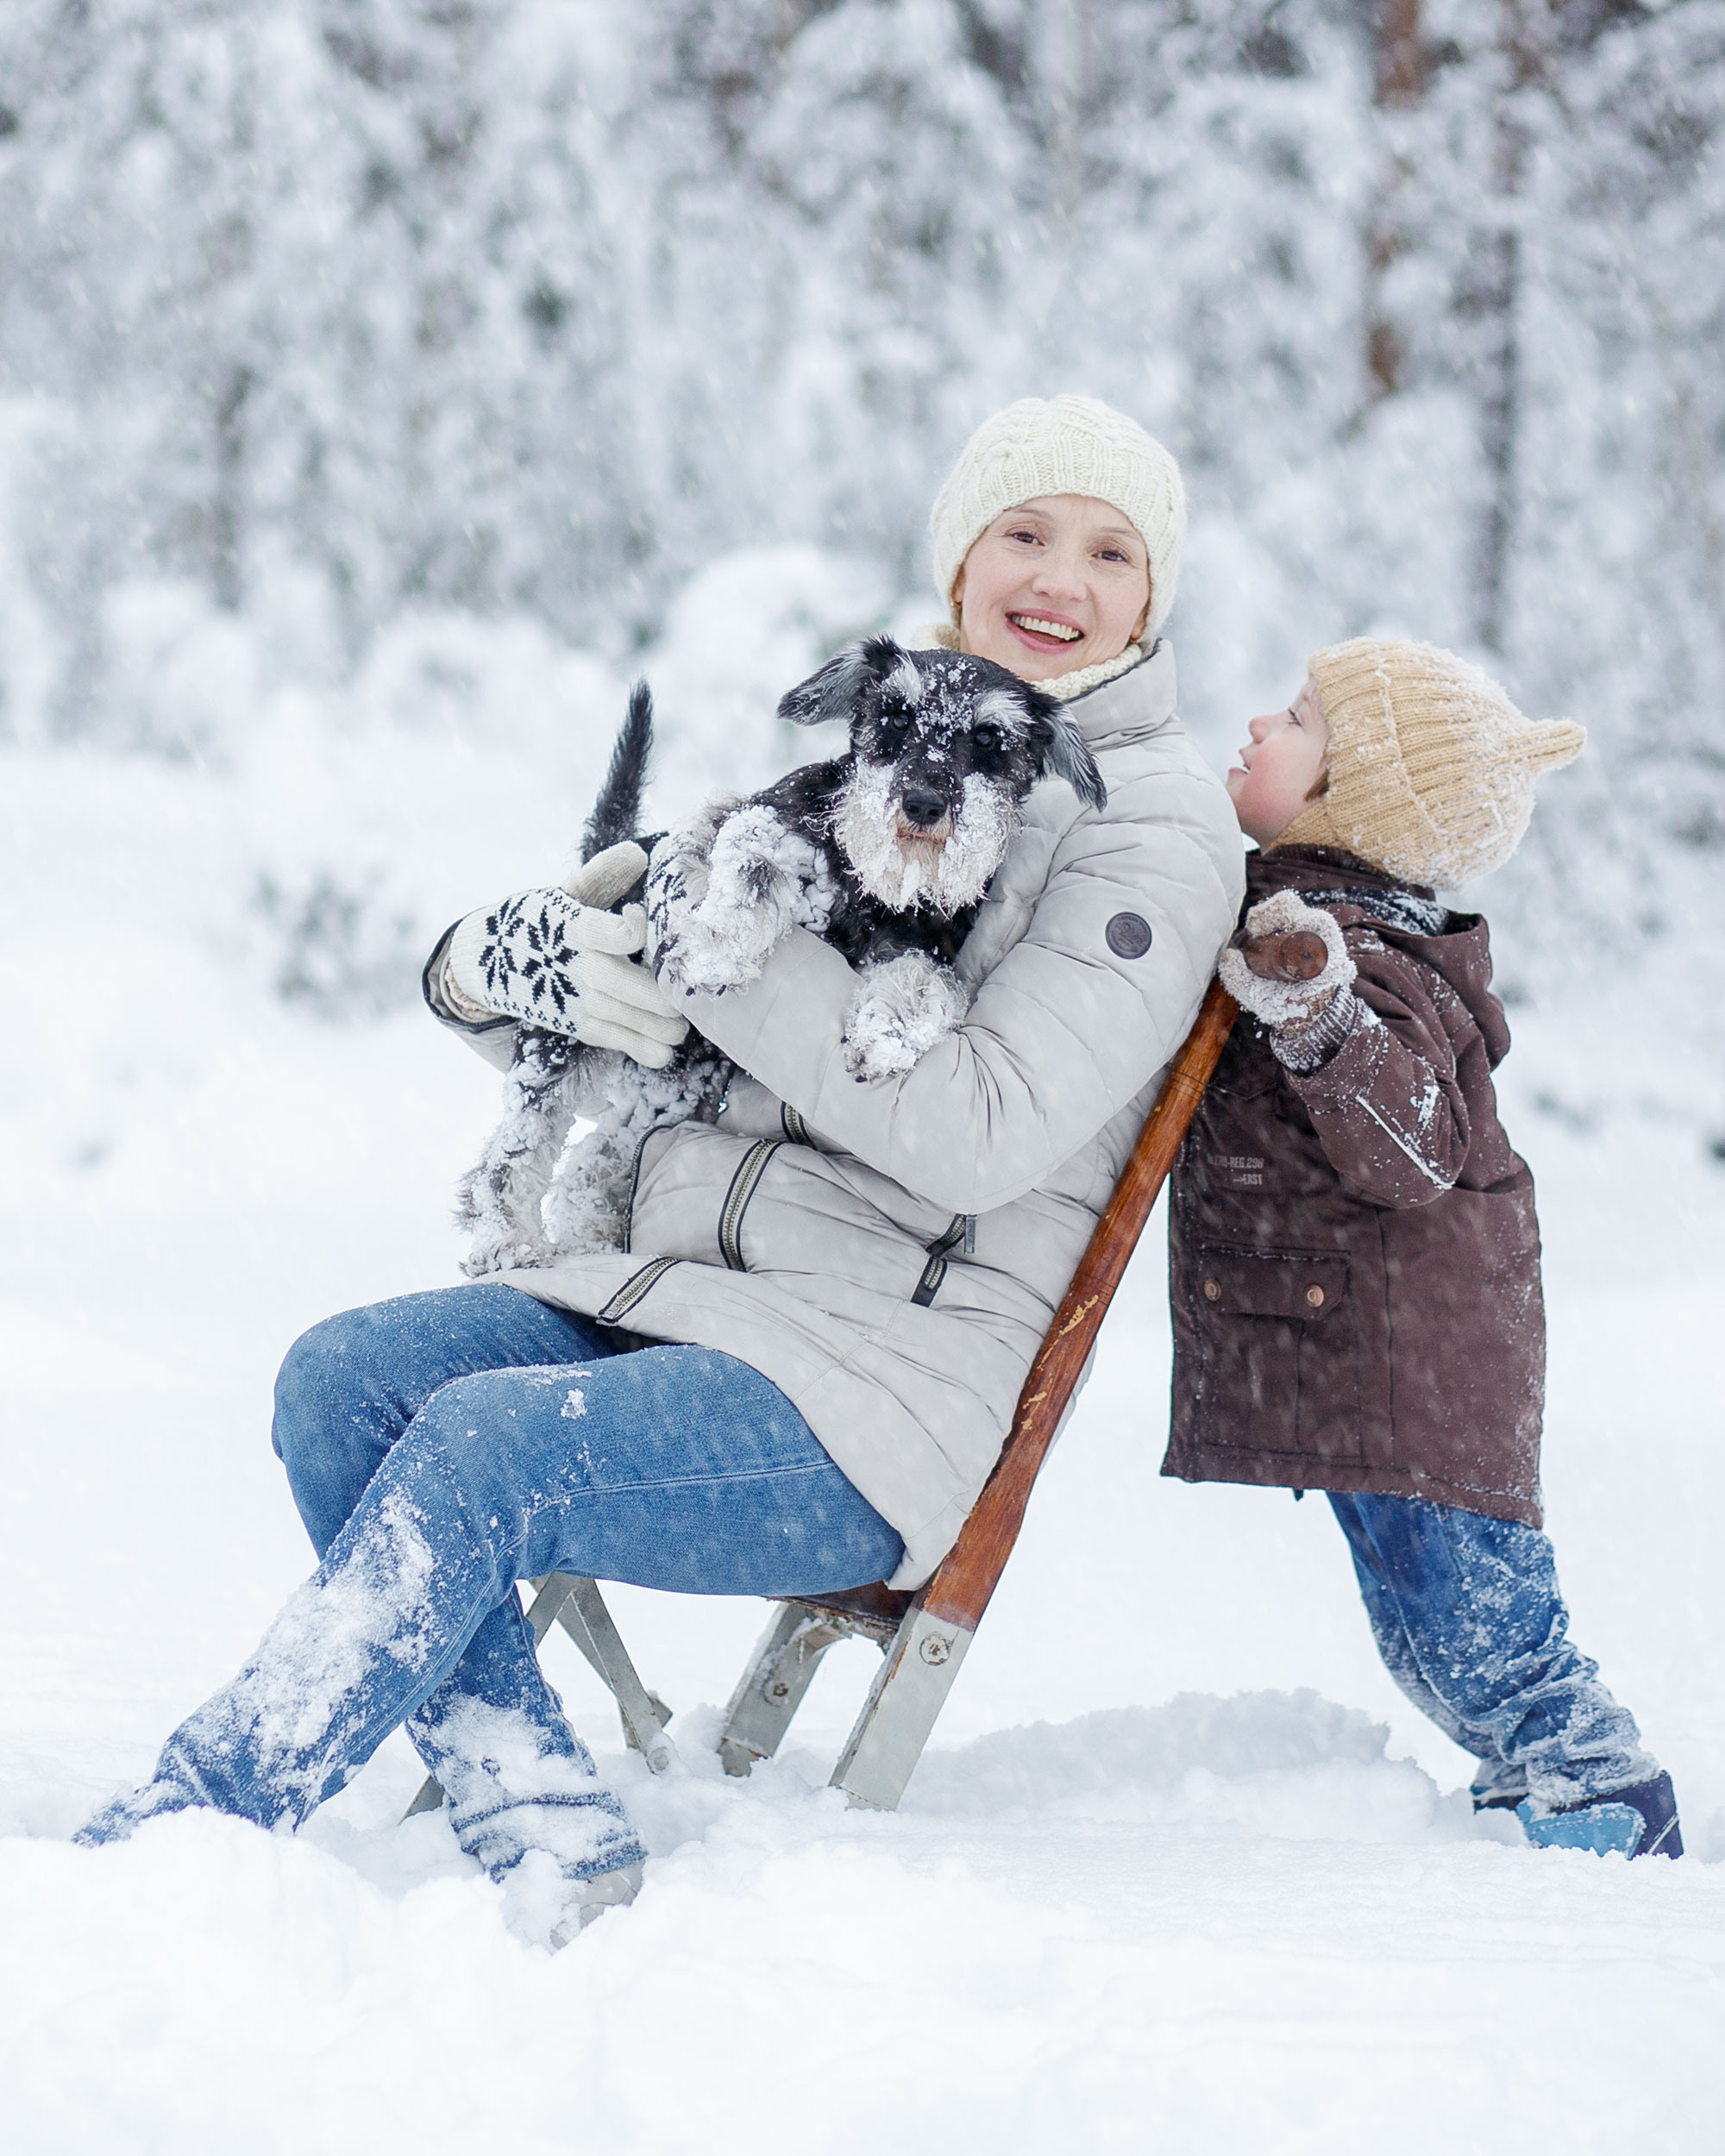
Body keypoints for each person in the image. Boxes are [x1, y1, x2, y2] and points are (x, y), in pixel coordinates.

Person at [74, 395, 1245, 1940]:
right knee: (338, 1382)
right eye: (1024, 533)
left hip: (867, 1393)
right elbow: (698, 1024)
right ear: (959, 561)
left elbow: (974, 1129)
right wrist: (505, 979)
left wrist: (710, 935)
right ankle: (534, 1795)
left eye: (1110, 552)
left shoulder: (1149, 827)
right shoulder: (878, 739)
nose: (1061, 578)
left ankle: (208, 1814)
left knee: (489, 1446)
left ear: (1151, 598)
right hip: (671, 1298)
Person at [1164, 636, 1681, 1858]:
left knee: (1478, 1640)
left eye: (1296, 719)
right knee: (1431, 1637)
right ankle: (1553, 1801)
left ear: (1360, 797)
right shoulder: (1307, 912)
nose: (1256, 725)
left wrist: (1319, 1010)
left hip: (1420, 1361)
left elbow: (1406, 1141)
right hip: (1379, 1349)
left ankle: (1601, 1801)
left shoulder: (1366, 951)